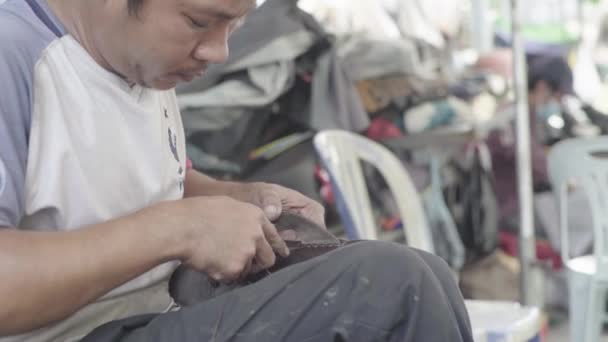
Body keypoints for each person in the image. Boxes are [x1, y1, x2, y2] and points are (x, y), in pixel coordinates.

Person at [0, 0, 473, 341]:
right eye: (199, 21)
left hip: (157, 309)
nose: (218, 52)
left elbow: (144, 179)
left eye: (234, 25)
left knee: (428, 278)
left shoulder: (138, 61)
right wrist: (174, 230)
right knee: (396, 286)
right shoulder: (15, 54)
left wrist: (233, 199)